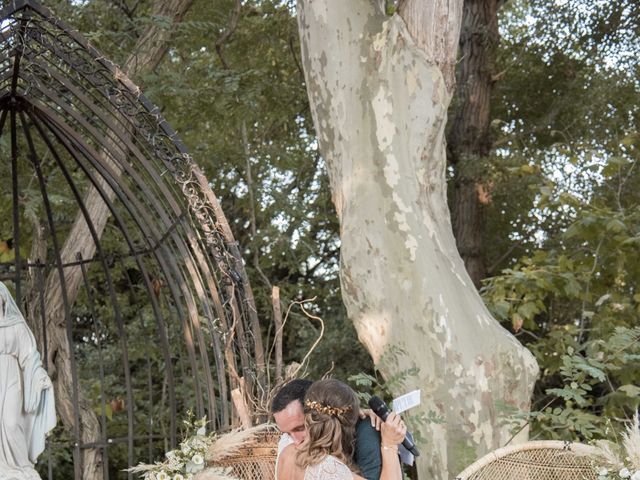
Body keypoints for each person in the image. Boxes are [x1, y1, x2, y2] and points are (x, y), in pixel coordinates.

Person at [276, 379, 406, 480]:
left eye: (299, 428)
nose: (296, 440)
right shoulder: (329, 469)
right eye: (289, 433)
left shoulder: (285, 450)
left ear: (310, 417)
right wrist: (390, 445)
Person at [0, 282, 56, 479]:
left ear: (3, 300)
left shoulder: (16, 326)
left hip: (11, 378)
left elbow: (30, 357)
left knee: (11, 422)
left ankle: (21, 466)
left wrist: (39, 376)